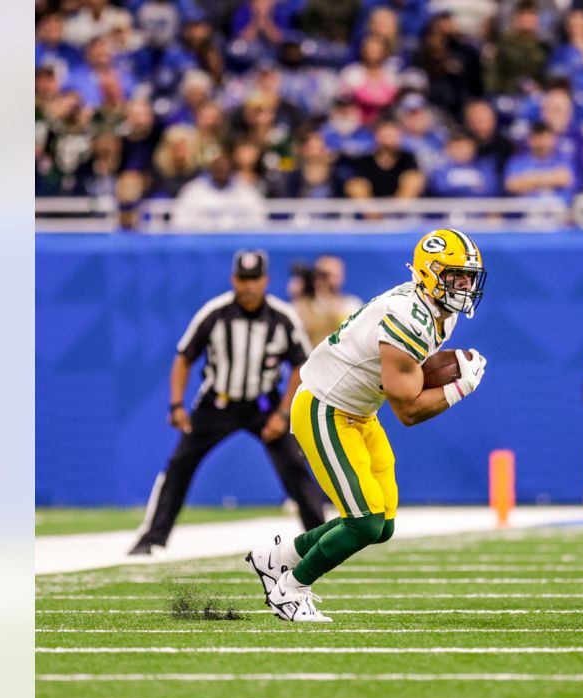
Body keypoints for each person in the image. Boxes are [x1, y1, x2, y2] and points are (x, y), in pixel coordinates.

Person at [245, 229, 490, 622]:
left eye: (468, 277)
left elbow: (409, 378)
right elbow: (408, 411)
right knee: (364, 522)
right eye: (455, 276)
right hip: (326, 407)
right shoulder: (407, 317)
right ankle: (291, 590)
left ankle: (276, 558)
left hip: (360, 411)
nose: (464, 285)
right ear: (430, 274)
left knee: (383, 524)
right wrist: (460, 387)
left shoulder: (437, 311)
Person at [130, 250, 326, 555]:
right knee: (180, 464)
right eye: (243, 279)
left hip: (264, 404)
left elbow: (302, 364)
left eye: (255, 279)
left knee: (294, 465)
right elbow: (184, 356)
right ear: (234, 279)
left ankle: (319, 537)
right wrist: (176, 405)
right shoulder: (215, 312)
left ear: (266, 280)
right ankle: (151, 537)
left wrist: (283, 412)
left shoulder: (282, 316)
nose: (249, 286)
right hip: (217, 403)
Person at [172, 152, 269, 229]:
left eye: (225, 168)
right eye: (218, 168)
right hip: (201, 245)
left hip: (237, 243)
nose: (221, 171)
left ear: (231, 170)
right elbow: (179, 221)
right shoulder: (193, 190)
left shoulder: (246, 190)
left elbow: (260, 219)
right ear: (211, 169)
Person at [341, 120, 425, 199]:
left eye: (392, 136)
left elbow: (415, 181)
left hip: (400, 204)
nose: (388, 141)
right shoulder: (366, 160)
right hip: (372, 207)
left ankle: (395, 212)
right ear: (376, 137)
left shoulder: (407, 158)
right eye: (386, 136)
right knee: (356, 185)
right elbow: (356, 184)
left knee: (413, 179)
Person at [503, 121, 577, 205]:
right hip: (526, 212)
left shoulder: (562, 159)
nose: (542, 143)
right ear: (530, 140)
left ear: (553, 139)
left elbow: (565, 179)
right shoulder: (518, 161)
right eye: (537, 138)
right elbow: (512, 185)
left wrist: (528, 179)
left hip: (558, 212)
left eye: (545, 138)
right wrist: (552, 178)